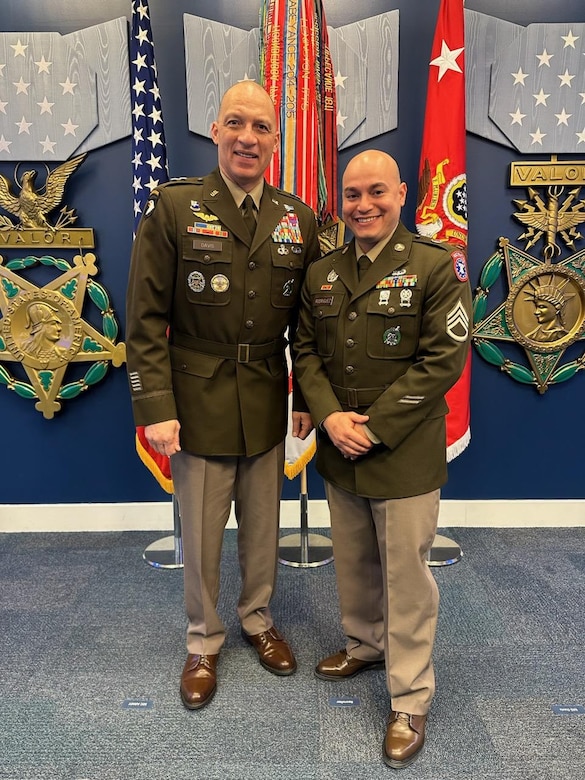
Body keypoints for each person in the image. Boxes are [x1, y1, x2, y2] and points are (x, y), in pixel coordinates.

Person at [126, 80, 320, 710]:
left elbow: (310, 321)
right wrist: (156, 408)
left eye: (261, 127)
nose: (248, 137)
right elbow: (143, 318)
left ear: (276, 141)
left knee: (262, 530)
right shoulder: (176, 207)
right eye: (235, 123)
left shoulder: (298, 217)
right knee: (203, 534)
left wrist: (307, 397)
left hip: (265, 395)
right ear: (215, 131)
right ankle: (204, 639)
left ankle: (257, 622)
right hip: (197, 399)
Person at [293, 150, 472, 768]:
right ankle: (365, 644)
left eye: (376, 193)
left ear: (401, 193)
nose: (362, 205)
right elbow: (306, 351)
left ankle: (410, 697)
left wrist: (376, 427)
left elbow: (443, 358)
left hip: (401, 450)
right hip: (341, 444)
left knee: (406, 577)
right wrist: (329, 417)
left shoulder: (432, 266)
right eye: (351, 195)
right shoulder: (322, 272)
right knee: (355, 561)